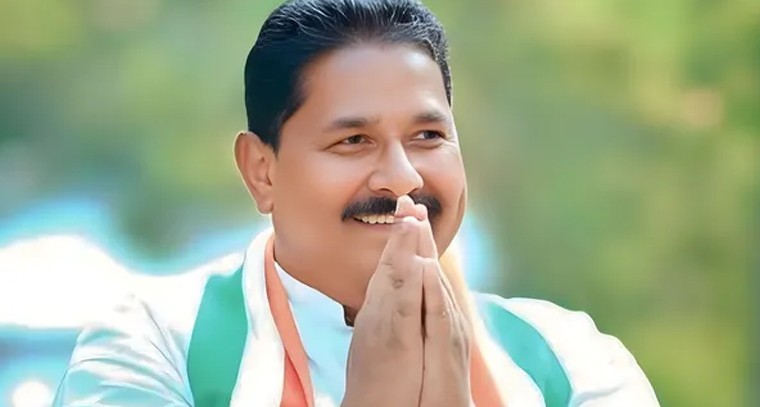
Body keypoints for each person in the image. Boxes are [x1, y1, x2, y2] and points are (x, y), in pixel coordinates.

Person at [52, 0, 660, 406]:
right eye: (353, 141)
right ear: (261, 171)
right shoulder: (154, 350)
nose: (402, 178)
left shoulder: (567, 361)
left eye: (428, 136)